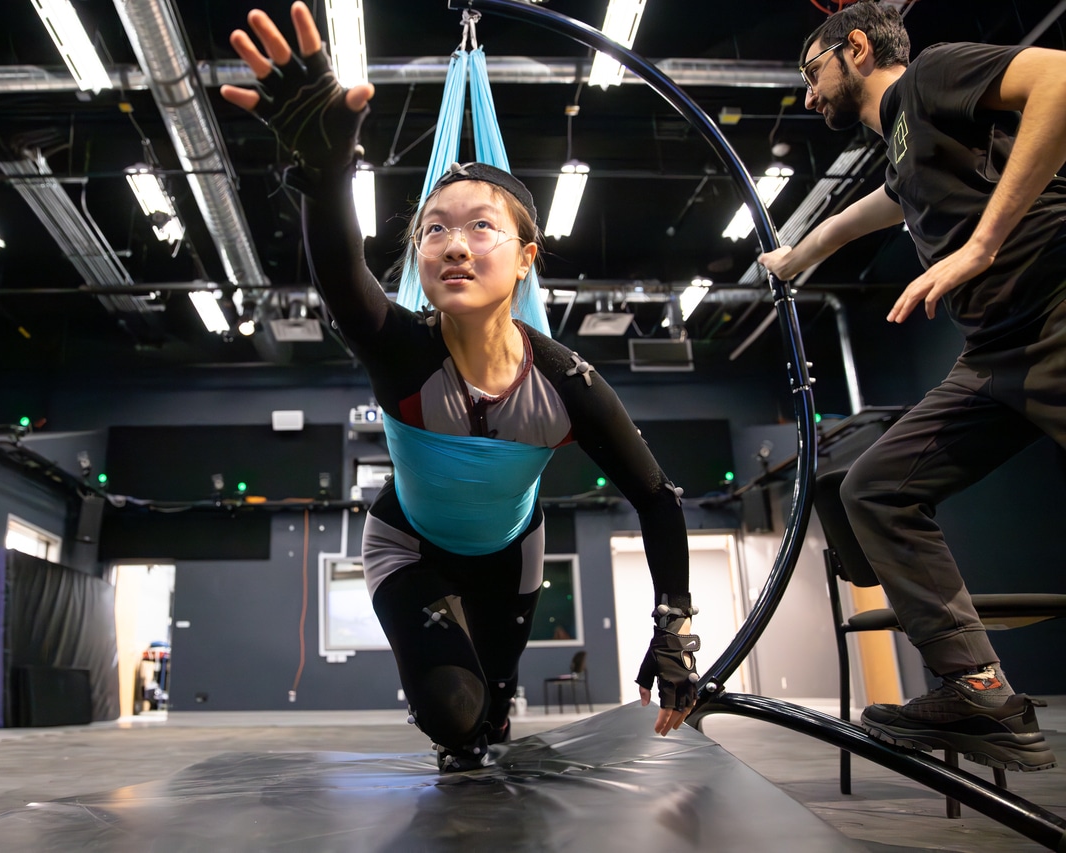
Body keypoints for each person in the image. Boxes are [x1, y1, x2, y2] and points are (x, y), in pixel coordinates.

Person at [222, 3, 700, 772]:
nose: (452, 243)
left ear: (526, 257)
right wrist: (323, 176)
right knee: (455, 718)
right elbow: (343, 277)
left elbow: (656, 496)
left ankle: (495, 704)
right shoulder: (403, 353)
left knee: (498, 703)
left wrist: (673, 625)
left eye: (481, 227)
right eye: (434, 228)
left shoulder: (567, 383)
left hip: (510, 553)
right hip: (407, 543)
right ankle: (465, 717)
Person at [758, 0, 1066, 771]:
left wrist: (982, 244)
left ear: (855, 48)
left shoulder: (931, 75)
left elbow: (1061, 78)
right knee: (874, 490)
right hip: (998, 352)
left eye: (812, 71)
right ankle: (979, 687)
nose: (808, 94)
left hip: (1056, 314)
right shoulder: (904, 144)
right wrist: (796, 259)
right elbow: (864, 215)